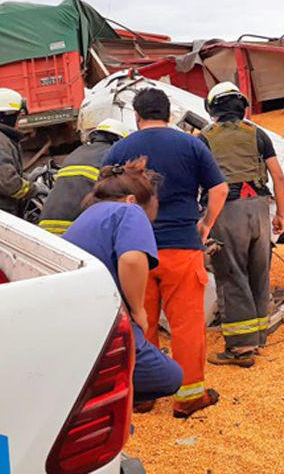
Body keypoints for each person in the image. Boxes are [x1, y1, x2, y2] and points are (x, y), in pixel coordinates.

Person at [103, 87, 228, 418]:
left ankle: (144, 394)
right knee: (186, 324)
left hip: (134, 253)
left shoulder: (119, 150)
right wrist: (205, 226)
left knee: (141, 324)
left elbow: (105, 201)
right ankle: (188, 398)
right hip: (182, 248)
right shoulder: (192, 144)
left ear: (137, 116)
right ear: (169, 114)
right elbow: (220, 189)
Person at [63, 158, 183, 411]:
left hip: (73, 320)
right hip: (100, 322)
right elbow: (131, 259)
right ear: (131, 199)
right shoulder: (129, 211)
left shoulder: (89, 215)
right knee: (169, 376)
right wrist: (139, 311)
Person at [199, 82, 284, 368]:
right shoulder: (257, 133)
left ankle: (241, 348)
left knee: (231, 274)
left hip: (226, 209)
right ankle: (259, 337)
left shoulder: (204, 138)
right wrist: (281, 214)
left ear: (212, 107)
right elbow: (278, 175)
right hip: (259, 208)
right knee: (259, 271)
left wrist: (202, 221)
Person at [39, 118, 131, 235]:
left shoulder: (77, 152)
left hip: (46, 222)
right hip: (76, 226)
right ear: (119, 139)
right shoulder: (111, 155)